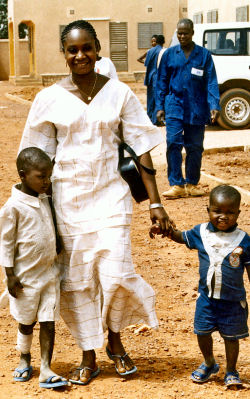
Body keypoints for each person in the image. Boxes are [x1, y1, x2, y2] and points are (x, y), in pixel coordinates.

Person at [19, 20, 171, 385]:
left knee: (116, 273)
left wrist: (155, 203)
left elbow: (140, 147)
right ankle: (89, 353)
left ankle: (115, 341)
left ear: (97, 48)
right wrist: (34, 212)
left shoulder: (118, 93)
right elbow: (35, 157)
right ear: (65, 54)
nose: (80, 55)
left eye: (87, 47)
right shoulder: (48, 99)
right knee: (78, 281)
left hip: (112, 196)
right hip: (68, 201)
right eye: (72, 50)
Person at [150, 185, 250, 388]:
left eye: (230, 212)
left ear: (238, 213)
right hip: (206, 299)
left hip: (232, 302)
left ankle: (231, 371)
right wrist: (165, 230)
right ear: (208, 210)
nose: (223, 216)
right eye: (217, 211)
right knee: (202, 332)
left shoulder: (244, 240)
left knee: (231, 338)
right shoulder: (201, 232)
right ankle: (209, 362)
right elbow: (181, 237)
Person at [0, 147, 70, 389]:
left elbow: (50, 221)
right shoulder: (13, 207)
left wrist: (57, 242)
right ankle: (24, 358)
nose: (46, 182)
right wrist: (9, 275)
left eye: (48, 176)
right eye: (41, 177)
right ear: (22, 175)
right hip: (25, 277)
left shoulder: (45, 198)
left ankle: (46, 368)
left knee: (48, 320)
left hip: (49, 272)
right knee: (26, 322)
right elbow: (6, 242)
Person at [155, 19, 220, 199]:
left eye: (186, 33)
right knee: (173, 143)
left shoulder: (203, 55)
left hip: (197, 107)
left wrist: (214, 105)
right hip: (174, 104)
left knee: (195, 147)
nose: (182, 36)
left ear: (192, 33)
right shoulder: (169, 55)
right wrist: (159, 107)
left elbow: (211, 81)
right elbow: (161, 82)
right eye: (179, 33)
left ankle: (191, 183)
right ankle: (176, 185)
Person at [144, 35, 165, 125]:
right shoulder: (163, 51)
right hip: (158, 77)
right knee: (158, 98)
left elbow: (146, 63)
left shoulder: (150, 51)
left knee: (150, 99)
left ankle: (150, 119)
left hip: (150, 77)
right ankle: (156, 119)